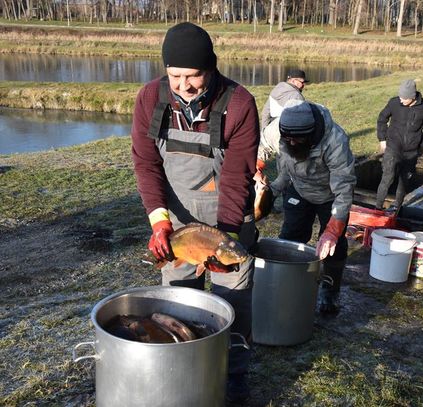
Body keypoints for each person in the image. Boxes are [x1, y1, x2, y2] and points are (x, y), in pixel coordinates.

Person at [130, 22, 259, 403]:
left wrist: (223, 241)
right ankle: (181, 369)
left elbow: (238, 177)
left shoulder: (239, 104)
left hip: (227, 220)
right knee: (179, 301)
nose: (184, 85)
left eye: (194, 76)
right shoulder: (150, 99)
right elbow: (145, 163)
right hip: (178, 223)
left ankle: (234, 375)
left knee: (232, 302)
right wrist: (159, 222)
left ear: (212, 68)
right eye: (175, 76)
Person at [259, 100, 356, 314]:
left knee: (333, 245)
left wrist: (333, 230)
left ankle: (330, 291)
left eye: (298, 139)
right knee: (290, 237)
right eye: (288, 139)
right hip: (296, 187)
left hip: (330, 194)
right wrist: (257, 168)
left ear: (311, 134)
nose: (292, 143)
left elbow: (344, 190)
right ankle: (286, 285)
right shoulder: (277, 130)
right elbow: (261, 146)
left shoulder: (335, 141)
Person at [375, 79, 423, 210]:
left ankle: (397, 206)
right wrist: (382, 139)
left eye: (404, 98)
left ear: (413, 97)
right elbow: (382, 119)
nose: (401, 100)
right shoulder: (394, 103)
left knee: (404, 180)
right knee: (387, 178)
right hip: (393, 148)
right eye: (400, 96)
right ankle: (377, 207)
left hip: (411, 151)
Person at [258, 69, 309, 163]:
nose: (303, 85)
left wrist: (265, 132)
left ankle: (255, 172)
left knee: (266, 157)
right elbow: (299, 122)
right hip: (285, 134)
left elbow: (265, 112)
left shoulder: (276, 89)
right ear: (293, 81)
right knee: (291, 163)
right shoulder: (296, 96)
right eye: (302, 82)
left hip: (270, 131)